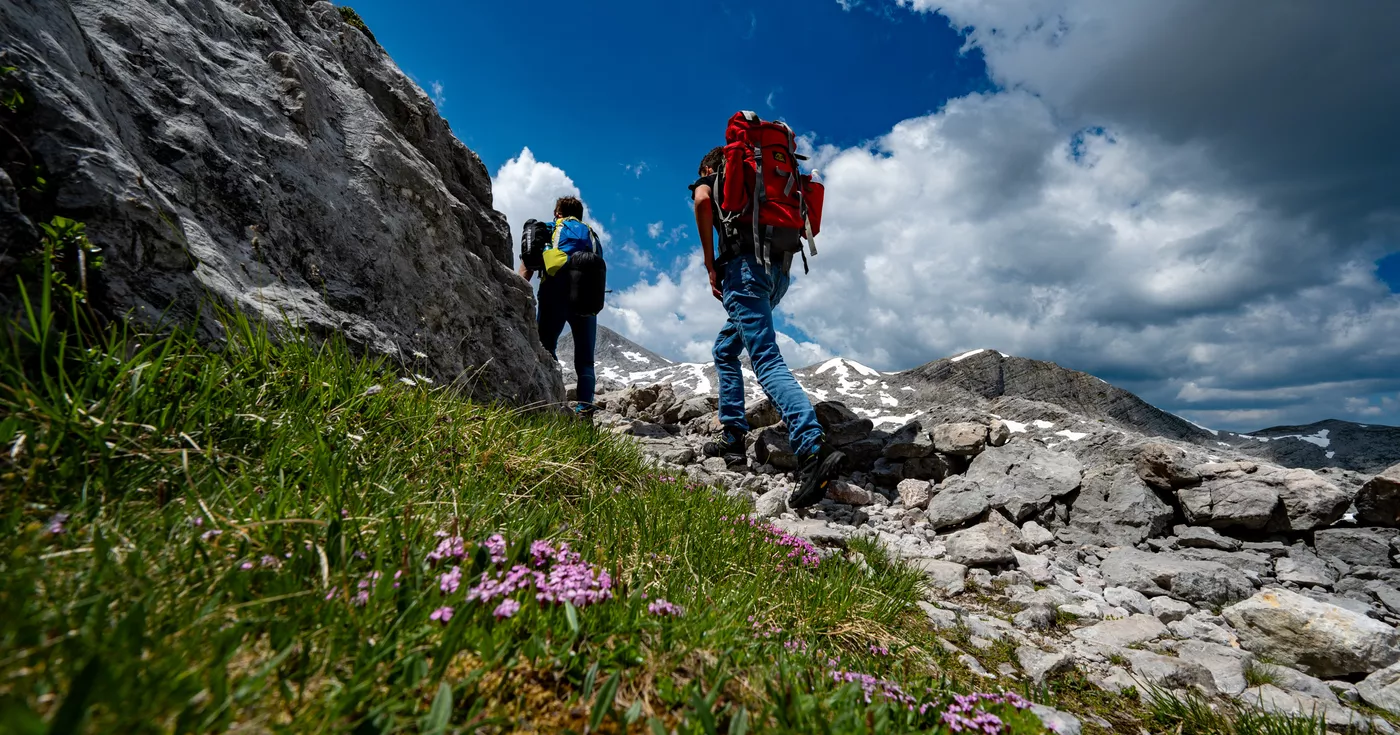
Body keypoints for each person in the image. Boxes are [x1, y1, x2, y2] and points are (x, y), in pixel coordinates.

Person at [690, 147, 844, 508]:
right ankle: (733, 434)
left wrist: (711, 264)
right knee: (725, 349)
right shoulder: (766, 179)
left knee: (766, 359)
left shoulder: (717, 172)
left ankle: (811, 448)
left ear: (710, 166)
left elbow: (700, 202)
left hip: (745, 271)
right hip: (779, 272)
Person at [518, 196, 602, 419]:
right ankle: (585, 411)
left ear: (558, 212)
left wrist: (516, 290)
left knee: (546, 346)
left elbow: (529, 258)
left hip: (553, 293)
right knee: (585, 361)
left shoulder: (551, 227)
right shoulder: (592, 235)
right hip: (586, 299)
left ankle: (551, 400)